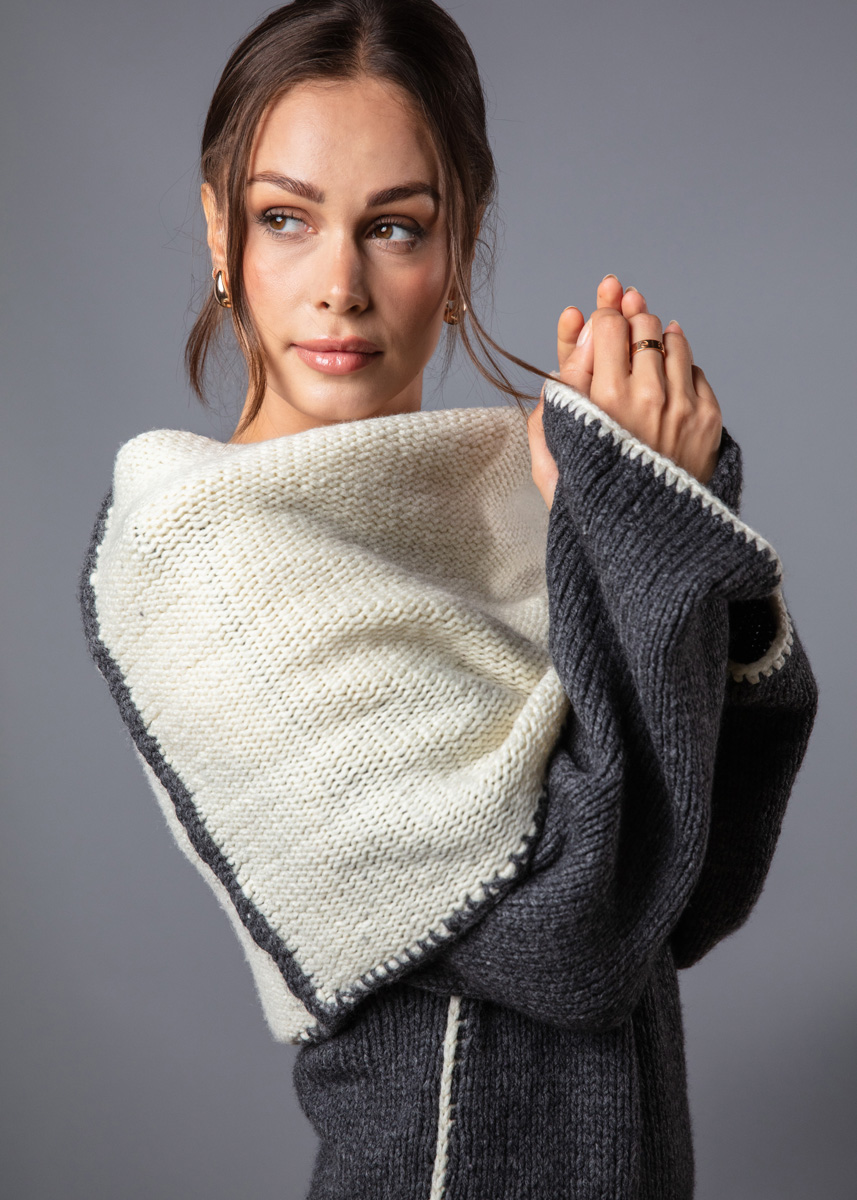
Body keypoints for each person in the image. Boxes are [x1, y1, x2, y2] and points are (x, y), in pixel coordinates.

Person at [78, 1, 819, 1196]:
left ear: (458, 242)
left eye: (394, 227)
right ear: (221, 231)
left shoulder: (528, 491)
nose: (339, 286)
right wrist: (634, 526)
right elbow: (571, 934)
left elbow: (693, 885)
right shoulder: (200, 553)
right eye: (284, 219)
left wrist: (648, 508)